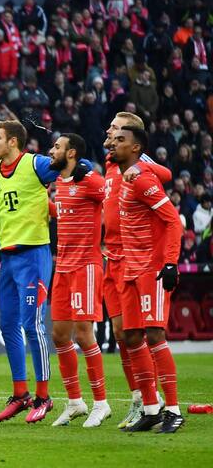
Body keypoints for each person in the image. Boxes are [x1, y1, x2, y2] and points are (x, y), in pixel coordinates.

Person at [0, 120, 91, 424]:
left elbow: (71, 161)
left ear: (13, 142)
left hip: (34, 255)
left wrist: (85, 167)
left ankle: (44, 396)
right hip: (8, 258)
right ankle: (21, 394)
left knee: (32, 326)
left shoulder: (34, 164)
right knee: (7, 327)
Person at [99, 112, 172, 429]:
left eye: (115, 129)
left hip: (135, 258)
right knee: (123, 334)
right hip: (111, 257)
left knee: (147, 333)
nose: (110, 133)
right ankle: (140, 400)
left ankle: (157, 401)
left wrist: (142, 165)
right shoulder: (110, 164)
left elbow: (166, 173)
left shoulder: (140, 166)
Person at [110, 126, 184, 434]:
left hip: (151, 269)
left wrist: (170, 263)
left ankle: (174, 410)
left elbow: (173, 221)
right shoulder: (123, 173)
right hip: (130, 268)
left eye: (120, 140)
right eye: (113, 139)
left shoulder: (142, 179)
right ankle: (151, 409)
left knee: (154, 335)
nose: (113, 143)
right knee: (131, 338)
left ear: (137, 148)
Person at [47, 134, 111, 427]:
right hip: (61, 266)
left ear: (71, 152)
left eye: (57, 147)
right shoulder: (59, 182)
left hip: (86, 266)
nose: (52, 150)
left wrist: (111, 240)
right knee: (59, 335)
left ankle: (101, 403)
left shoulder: (91, 181)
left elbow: (114, 199)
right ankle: (75, 402)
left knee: (84, 334)